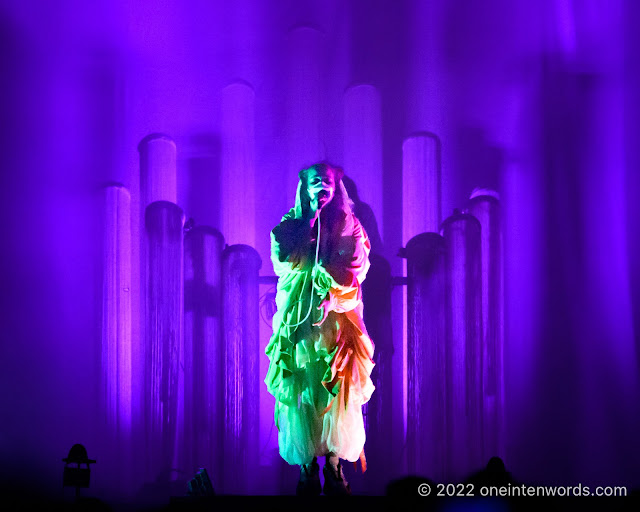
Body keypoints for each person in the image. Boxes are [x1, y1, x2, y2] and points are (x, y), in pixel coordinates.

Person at [264, 162, 375, 496]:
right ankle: (307, 466)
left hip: (335, 323)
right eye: (315, 182)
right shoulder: (291, 224)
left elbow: (355, 267)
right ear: (305, 187)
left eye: (327, 182)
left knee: (335, 389)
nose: (321, 187)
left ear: (335, 186)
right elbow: (283, 257)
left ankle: (335, 463)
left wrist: (332, 294)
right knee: (304, 388)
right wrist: (308, 219)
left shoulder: (350, 225)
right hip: (300, 321)